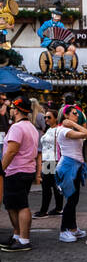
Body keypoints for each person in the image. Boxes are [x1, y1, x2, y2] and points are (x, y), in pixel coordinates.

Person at [1, 96, 41, 251]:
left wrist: (1, 169)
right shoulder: (30, 127)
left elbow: (11, 151)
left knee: (21, 205)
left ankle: (24, 239)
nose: (10, 111)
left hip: (16, 170)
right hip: (26, 170)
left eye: (12, 108)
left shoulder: (17, 128)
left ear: (16, 110)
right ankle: (17, 235)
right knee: (13, 205)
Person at [54, 107, 87, 241]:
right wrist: (73, 124)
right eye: (74, 113)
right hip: (68, 166)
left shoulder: (70, 129)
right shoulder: (64, 130)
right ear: (65, 115)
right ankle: (64, 230)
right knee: (71, 199)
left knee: (74, 199)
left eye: (78, 113)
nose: (77, 115)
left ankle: (73, 228)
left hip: (75, 165)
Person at [35, 115, 63, 219]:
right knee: (48, 186)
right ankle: (55, 209)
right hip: (47, 161)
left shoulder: (59, 129)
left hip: (54, 160)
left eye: (49, 117)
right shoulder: (48, 130)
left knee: (51, 186)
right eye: (45, 117)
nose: (46, 119)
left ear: (56, 118)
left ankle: (47, 210)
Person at [38, 8, 77, 73]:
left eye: (59, 16)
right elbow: (39, 31)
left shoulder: (60, 25)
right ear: (52, 15)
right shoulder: (47, 23)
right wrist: (44, 35)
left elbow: (64, 32)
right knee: (60, 49)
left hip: (61, 41)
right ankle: (55, 66)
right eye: (56, 15)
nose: (58, 17)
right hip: (50, 41)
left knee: (72, 48)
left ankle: (67, 66)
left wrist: (71, 38)